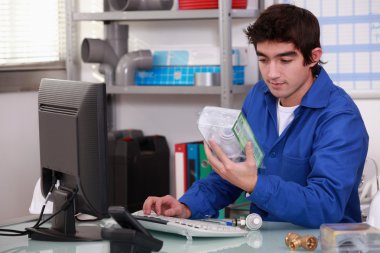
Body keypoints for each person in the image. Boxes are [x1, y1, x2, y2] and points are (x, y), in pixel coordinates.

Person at [143, 3, 369, 228]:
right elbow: (234, 172)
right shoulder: (258, 97)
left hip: (322, 244)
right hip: (262, 240)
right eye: (263, 60)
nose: (272, 73)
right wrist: (187, 206)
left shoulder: (341, 118)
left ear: (312, 57)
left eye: (285, 60)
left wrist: (255, 183)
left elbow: (325, 207)